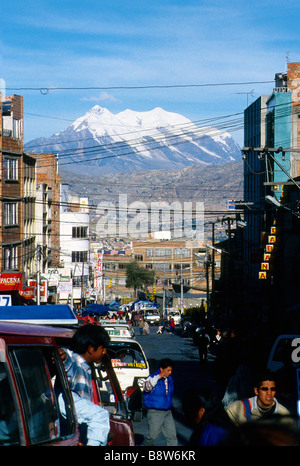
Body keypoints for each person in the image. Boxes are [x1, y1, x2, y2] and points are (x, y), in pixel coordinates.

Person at [63, 324, 111, 446]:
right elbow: (67, 361)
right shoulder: (75, 362)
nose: (104, 352)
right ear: (91, 349)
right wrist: (63, 355)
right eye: (102, 348)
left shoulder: (87, 368)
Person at [226, 371, 290, 425]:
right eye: (265, 389)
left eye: (272, 389)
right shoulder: (237, 408)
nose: (269, 393)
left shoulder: (284, 414)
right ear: (256, 391)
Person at [143, 358, 177, 446]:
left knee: (172, 436)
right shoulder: (152, 377)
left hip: (167, 412)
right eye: (168, 370)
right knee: (152, 436)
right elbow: (147, 388)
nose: (170, 372)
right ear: (161, 369)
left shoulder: (170, 379)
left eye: (171, 370)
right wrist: (159, 376)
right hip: (155, 412)